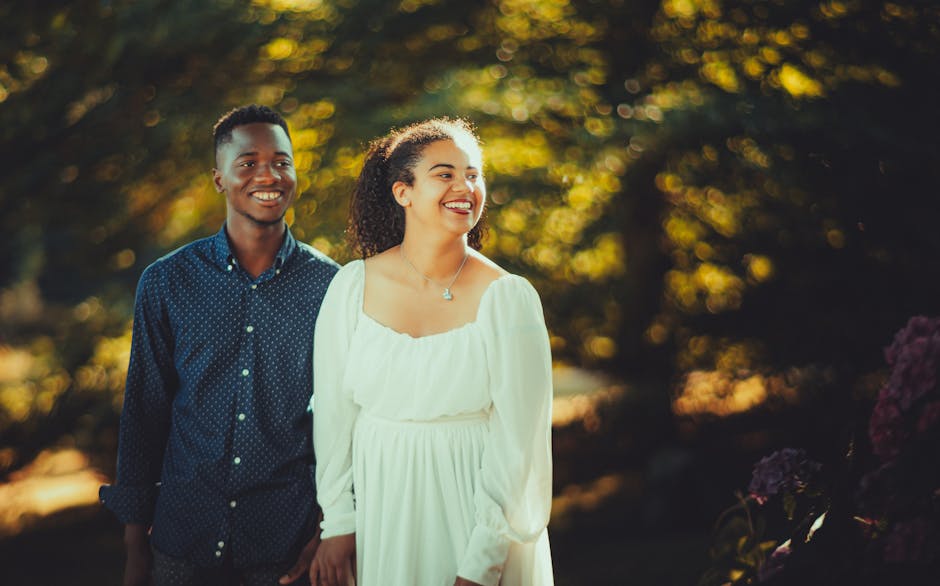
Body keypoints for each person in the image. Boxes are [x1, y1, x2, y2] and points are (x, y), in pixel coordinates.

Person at [99, 104, 338, 586]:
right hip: (182, 541)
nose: (267, 174)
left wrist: (327, 531)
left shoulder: (332, 287)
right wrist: (133, 550)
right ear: (219, 179)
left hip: (284, 545)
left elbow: (346, 420)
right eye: (247, 162)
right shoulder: (167, 282)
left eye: (281, 161)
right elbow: (144, 411)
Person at [311, 118, 554, 586]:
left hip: (481, 521)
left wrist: (481, 565)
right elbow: (334, 417)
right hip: (387, 514)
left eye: (473, 174)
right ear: (403, 192)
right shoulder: (351, 286)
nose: (464, 186)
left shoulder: (509, 297)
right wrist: (339, 523)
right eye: (445, 174)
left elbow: (519, 446)